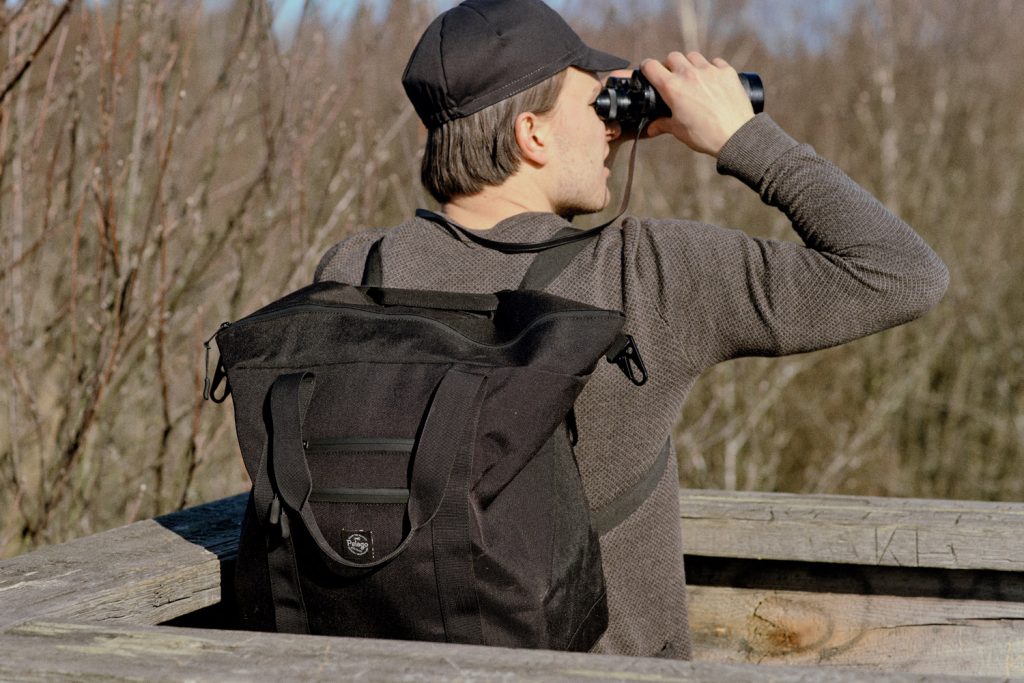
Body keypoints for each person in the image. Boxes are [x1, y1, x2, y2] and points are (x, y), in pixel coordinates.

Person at [315, 0, 948, 660]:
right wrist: (744, 138)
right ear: (532, 136)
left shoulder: (356, 267)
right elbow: (902, 271)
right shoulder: (644, 273)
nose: (614, 128)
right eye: (598, 105)